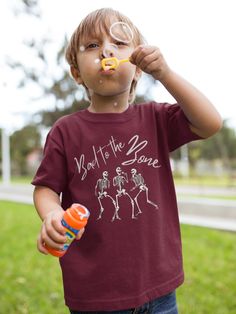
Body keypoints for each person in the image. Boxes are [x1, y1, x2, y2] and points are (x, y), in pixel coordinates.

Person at [32, 7, 222, 314]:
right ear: (77, 72)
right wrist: (52, 214)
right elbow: (45, 188)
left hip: (160, 291)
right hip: (95, 295)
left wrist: (166, 74)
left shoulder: (157, 119)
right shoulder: (66, 131)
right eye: (92, 46)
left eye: (119, 43)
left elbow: (210, 123)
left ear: (136, 68)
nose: (106, 50)